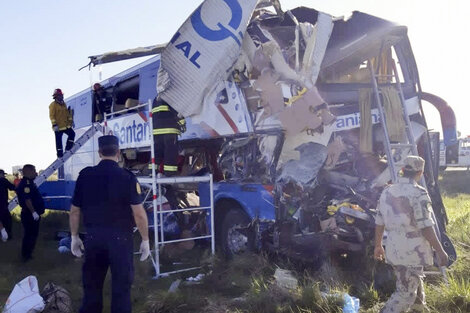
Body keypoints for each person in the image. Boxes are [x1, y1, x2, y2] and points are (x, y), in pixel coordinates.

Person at [69, 135, 150, 313]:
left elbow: (75, 211)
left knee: (92, 288)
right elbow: (139, 214)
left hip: (93, 239)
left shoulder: (85, 175)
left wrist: (74, 237)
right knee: (121, 290)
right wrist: (145, 240)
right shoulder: (126, 177)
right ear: (118, 153)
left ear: (99, 153)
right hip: (120, 240)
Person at [374, 156, 448, 313]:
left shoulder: (387, 191)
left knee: (415, 288)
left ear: (402, 170)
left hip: (393, 249)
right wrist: (440, 251)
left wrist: (378, 245)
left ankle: (419, 310)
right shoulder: (418, 193)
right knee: (406, 294)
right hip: (412, 252)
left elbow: (379, 221)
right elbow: (426, 226)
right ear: (420, 172)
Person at [16, 164, 45, 261]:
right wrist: (33, 212)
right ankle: (26, 256)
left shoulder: (30, 183)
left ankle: (29, 254)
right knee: (29, 235)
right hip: (29, 214)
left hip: (32, 214)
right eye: (34, 170)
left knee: (32, 234)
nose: (35, 172)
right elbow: (27, 199)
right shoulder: (26, 184)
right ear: (28, 171)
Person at [152, 97, 186, 176]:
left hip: (156, 131)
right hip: (169, 130)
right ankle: (170, 172)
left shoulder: (155, 100)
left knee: (157, 152)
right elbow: (177, 111)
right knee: (170, 151)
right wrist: (182, 123)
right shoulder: (169, 97)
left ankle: (152, 171)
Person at [49, 88, 75, 158]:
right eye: (60, 95)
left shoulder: (64, 104)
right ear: (56, 96)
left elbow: (67, 114)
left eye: (61, 95)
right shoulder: (53, 105)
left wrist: (70, 122)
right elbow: (52, 116)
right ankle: (59, 154)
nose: (61, 96)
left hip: (65, 125)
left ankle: (68, 147)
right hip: (58, 126)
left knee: (72, 134)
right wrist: (54, 124)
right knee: (58, 141)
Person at [0, 169, 15, 240]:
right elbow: (12, 187)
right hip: (2, 204)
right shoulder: (3, 180)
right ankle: (7, 235)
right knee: (7, 220)